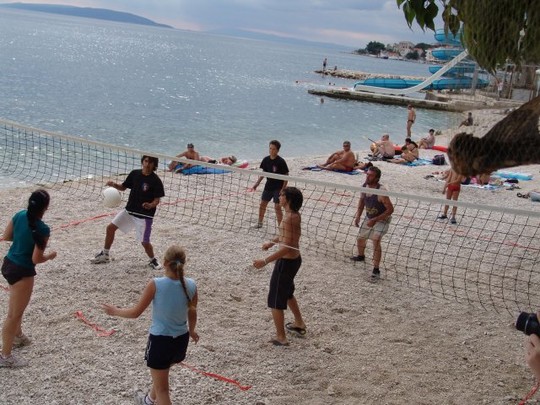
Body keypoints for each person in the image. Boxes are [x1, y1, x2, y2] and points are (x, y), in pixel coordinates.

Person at [103, 245, 199, 405]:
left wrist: (115, 311)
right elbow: (192, 312)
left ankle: (151, 400)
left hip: (161, 341)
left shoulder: (156, 284)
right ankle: (148, 401)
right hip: (181, 340)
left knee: (163, 390)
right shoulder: (192, 285)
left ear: (165, 262)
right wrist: (193, 331)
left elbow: (135, 313)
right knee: (161, 374)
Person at [1, 190, 57, 368]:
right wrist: (49, 256)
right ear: (46, 207)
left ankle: (18, 336)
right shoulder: (42, 229)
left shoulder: (19, 215)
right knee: (13, 314)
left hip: (8, 264)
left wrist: (21, 240)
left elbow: (6, 236)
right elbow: (36, 259)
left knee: (17, 307)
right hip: (23, 270)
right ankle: (5, 356)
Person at [91, 155, 165, 269]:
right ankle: (105, 254)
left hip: (144, 216)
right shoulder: (135, 174)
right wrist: (113, 184)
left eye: (151, 162)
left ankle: (153, 260)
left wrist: (150, 205)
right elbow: (123, 187)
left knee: (145, 242)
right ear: (142, 162)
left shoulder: (155, 180)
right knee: (110, 228)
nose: (147, 164)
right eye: (146, 161)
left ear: (154, 165)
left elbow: (157, 200)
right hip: (129, 211)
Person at [253, 187, 306, 346]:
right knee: (288, 293)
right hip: (294, 260)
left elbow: (288, 247)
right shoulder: (293, 215)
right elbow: (286, 236)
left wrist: (265, 261)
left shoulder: (290, 218)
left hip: (287, 262)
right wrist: (272, 242)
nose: (279, 197)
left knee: (275, 300)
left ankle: (281, 337)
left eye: (282, 195)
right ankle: (299, 323)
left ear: (288, 199)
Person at [350, 166, 394, 281]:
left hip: (382, 219)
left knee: (376, 239)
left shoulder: (381, 191)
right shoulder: (364, 187)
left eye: (371, 175)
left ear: (377, 178)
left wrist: (375, 220)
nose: (367, 177)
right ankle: (361, 256)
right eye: (367, 174)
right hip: (369, 217)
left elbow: (390, 210)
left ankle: (376, 269)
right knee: (360, 239)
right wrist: (358, 216)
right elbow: (361, 202)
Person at [250, 140, 289, 228]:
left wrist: (283, 189)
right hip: (269, 186)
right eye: (270, 148)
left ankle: (281, 227)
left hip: (278, 187)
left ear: (277, 150)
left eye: (273, 149)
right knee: (262, 204)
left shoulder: (281, 161)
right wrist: (257, 183)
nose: (271, 150)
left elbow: (286, 176)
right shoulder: (266, 160)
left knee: (277, 207)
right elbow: (264, 173)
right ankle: (260, 223)